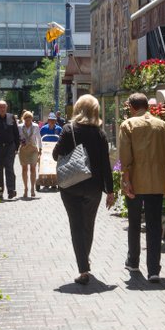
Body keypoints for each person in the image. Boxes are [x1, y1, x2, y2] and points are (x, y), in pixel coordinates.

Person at [52, 95, 116, 284]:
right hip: (94, 187)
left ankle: (83, 270)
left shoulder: (68, 129)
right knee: (88, 225)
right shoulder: (100, 133)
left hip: (70, 185)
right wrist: (110, 191)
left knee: (76, 226)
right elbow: (106, 164)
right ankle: (85, 259)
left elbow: (56, 155)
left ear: (77, 109)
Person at [118, 92, 165, 282]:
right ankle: (154, 270)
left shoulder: (127, 125)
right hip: (157, 181)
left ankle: (133, 262)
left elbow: (125, 157)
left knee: (135, 223)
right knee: (154, 225)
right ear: (147, 106)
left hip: (135, 182)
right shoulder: (162, 125)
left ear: (132, 107)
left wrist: (126, 180)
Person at [0, 99, 21, 199]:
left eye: (4, 107)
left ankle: (11, 191)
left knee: (9, 168)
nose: (2, 109)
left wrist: (16, 147)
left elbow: (16, 133)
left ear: (6, 108)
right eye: (0, 107)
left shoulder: (11, 117)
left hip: (10, 147)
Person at [17, 110, 42, 199]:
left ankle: (32, 188)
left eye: (30, 118)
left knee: (33, 168)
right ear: (24, 118)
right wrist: (19, 144)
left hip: (33, 149)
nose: (28, 119)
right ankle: (25, 188)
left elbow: (39, 138)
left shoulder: (35, 126)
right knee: (24, 169)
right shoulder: (19, 126)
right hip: (23, 149)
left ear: (32, 118)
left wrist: (40, 149)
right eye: (26, 118)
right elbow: (17, 137)